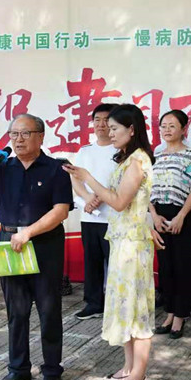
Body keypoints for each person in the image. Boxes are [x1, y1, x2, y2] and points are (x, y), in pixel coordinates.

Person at [64, 104, 162, 380]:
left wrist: (87, 178)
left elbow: (119, 202)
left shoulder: (138, 160)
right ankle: (129, 367)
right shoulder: (126, 159)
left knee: (137, 310)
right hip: (122, 240)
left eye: (115, 128)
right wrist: (86, 185)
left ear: (131, 129)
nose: (110, 133)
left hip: (133, 244)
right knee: (124, 307)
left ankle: (139, 375)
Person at [0, 114, 73, 380]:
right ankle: (18, 368)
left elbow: (61, 211)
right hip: (10, 242)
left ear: (41, 136)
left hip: (44, 244)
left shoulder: (56, 168)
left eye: (25, 133)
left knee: (48, 310)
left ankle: (52, 369)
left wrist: (29, 233)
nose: (18, 140)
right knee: (16, 311)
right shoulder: (3, 167)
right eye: (14, 134)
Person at [149, 110, 191, 339]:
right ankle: (169, 313)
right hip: (160, 215)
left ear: (184, 129)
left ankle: (180, 315)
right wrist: (154, 215)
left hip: (185, 214)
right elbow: (146, 188)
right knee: (165, 266)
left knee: (183, 265)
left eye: (172, 126)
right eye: (163, 125)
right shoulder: (156, 155)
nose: (167, 130)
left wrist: (181, 215)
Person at [71, 103, 117, 320]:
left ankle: (116, 304)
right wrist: (88, 198)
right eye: (97, 120)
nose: (101, 124)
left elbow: (119, 182)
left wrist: (99, 197)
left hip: (114, 216)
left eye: (106, 120)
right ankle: (94, 303)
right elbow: (75, 178)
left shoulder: (121, 151)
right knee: (92, 261)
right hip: (89, 215)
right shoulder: (85, 151)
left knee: (115, 263)